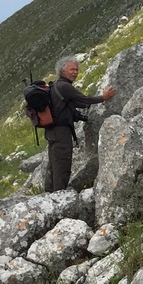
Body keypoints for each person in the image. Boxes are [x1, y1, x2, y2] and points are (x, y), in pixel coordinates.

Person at [45, 56, 116, 192]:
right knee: (62, 166)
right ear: (63, 71)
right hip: (61, 133)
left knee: (53, 165)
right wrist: (104, 97)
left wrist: (84, 105)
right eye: (72, 69)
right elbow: (84, 98)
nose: (75, 72)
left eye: (77, 70)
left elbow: (73, 102)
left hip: (52, 132)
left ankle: (48, 195)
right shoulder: (64, 86)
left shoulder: (55, 86)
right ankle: (59, 197)